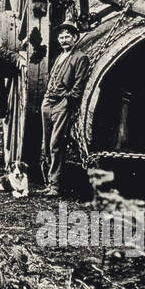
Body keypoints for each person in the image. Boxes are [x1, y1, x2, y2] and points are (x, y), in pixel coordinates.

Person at [40, 23, 90, 195]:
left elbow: (78, 85)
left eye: (67, 36)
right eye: (61, 37)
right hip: (48, 102)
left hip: (62, 103)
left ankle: (56, 185)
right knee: (47, 144)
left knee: (56, 143)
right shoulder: (59, 57)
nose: (64, 40)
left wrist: (68, 101)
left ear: (75, 38)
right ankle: (49, 183)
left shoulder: (80, 57)